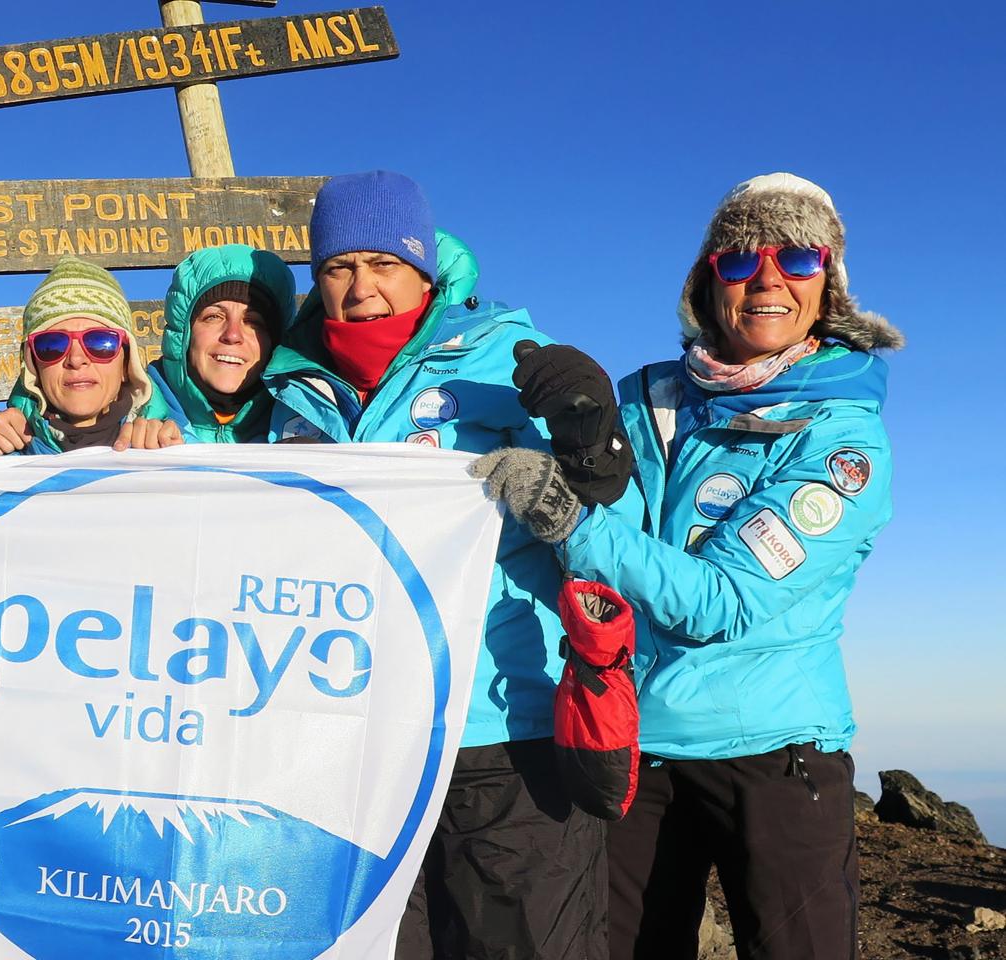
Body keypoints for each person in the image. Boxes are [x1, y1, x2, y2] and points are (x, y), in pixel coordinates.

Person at [475, 173, 901, 959]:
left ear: (828, 284)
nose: (768, 278)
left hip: (775, 757)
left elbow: (721, 602)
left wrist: (566, 515)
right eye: (740, 259)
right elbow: (583, 507)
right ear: (709, 282)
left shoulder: (843, 442)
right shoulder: (646, 398)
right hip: (633, 753)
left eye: (798, 258)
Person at [261, 170, 624, 959]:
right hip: (354, 745)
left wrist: (590, 444)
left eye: (383, 264)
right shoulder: (290, 391)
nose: (361, 289)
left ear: (423, 269)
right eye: (337, 268)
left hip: (497, 733)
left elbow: (608, 515)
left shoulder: (503, 358)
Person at [0, 256, 180, 455]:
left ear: (127, 363)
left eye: (100, 342)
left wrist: (177, 461)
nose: (76, 359)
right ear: (33, 366)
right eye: (51, 345)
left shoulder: (172, 446)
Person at [148, 244, 297, 443]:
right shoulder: (128, 412)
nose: (233, 335)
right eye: (214, 317)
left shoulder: (306, 422)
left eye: (253, 322)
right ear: (184, 333)